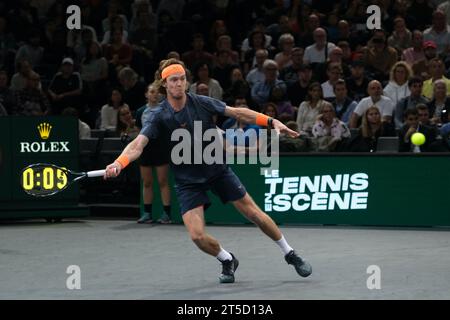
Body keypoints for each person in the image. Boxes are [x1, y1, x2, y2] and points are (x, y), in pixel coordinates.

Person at [104, 59, 312, 283]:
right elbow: (138, 145)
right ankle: (226, 259)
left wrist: (272, 122)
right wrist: (119, 162)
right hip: (188, 181)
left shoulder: (201, 102)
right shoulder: (158, 115)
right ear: (165, 84)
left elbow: (239, 113)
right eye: (174, 80)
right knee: (197, 236)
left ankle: (290, 253)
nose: (179, 84)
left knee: (255, 214)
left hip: (217, 170)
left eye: (182, 79)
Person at [135, 83, 171, 224]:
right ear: (146, 94)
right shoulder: (140, 112)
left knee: (162, 181)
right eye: (151, 92)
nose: (154, 94)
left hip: (161, 148)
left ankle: (166, 214)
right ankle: (147, 213)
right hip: (145, 150)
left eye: (156, 92)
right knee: (147, 182)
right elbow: (139, 131)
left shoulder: (165, 110)